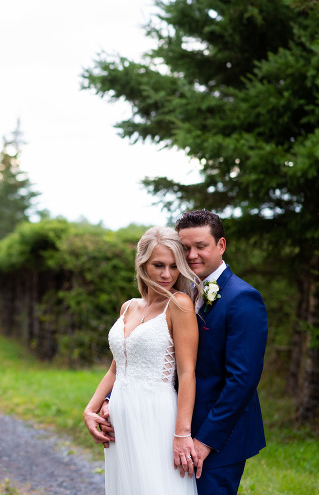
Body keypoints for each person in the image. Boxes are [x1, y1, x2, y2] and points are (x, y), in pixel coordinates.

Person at [96, 210, 269, 495]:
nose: (191, 256)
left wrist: (204, 441)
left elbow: (243, 380)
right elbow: (146, 356)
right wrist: (111, 399)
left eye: (201, 246)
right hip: (164, 427)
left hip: (218, 439)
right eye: (185, 248)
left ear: (221, 245)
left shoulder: (242, 298)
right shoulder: (177, 291)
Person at [83, 226, 200, 495]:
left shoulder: (179, 305)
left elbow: (186, 373)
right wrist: (91, 408)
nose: (167, 274)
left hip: (156, 415)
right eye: (158, 265)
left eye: (174, 266)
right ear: (142, 264)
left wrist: (182, 433)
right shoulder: (128, 306)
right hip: (120, 417)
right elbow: (117, 367)